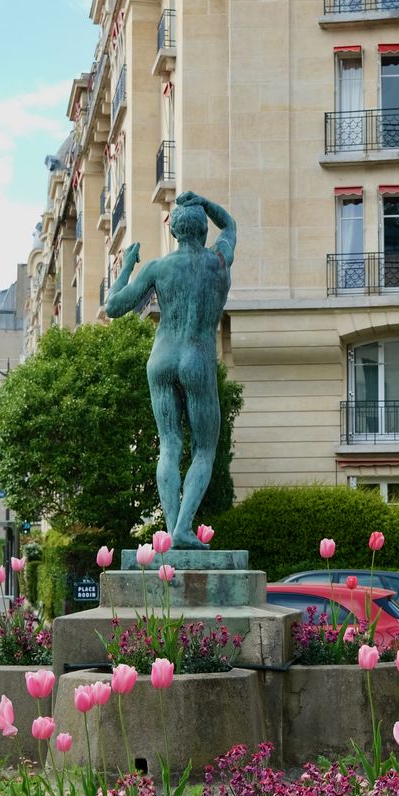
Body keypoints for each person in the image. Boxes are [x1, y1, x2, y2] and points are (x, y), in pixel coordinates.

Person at [105, 190, 237, 549]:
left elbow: (114, 306)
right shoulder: (218, 262)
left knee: (168, 445)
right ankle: (182, 528)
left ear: (175, 232)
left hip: (161, 357)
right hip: (197, 356)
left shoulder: (158, 267)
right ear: (202, 231)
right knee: (204, 450)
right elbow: (231, 225)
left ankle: (169, 530)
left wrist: (128, 264)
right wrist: (206, 202)